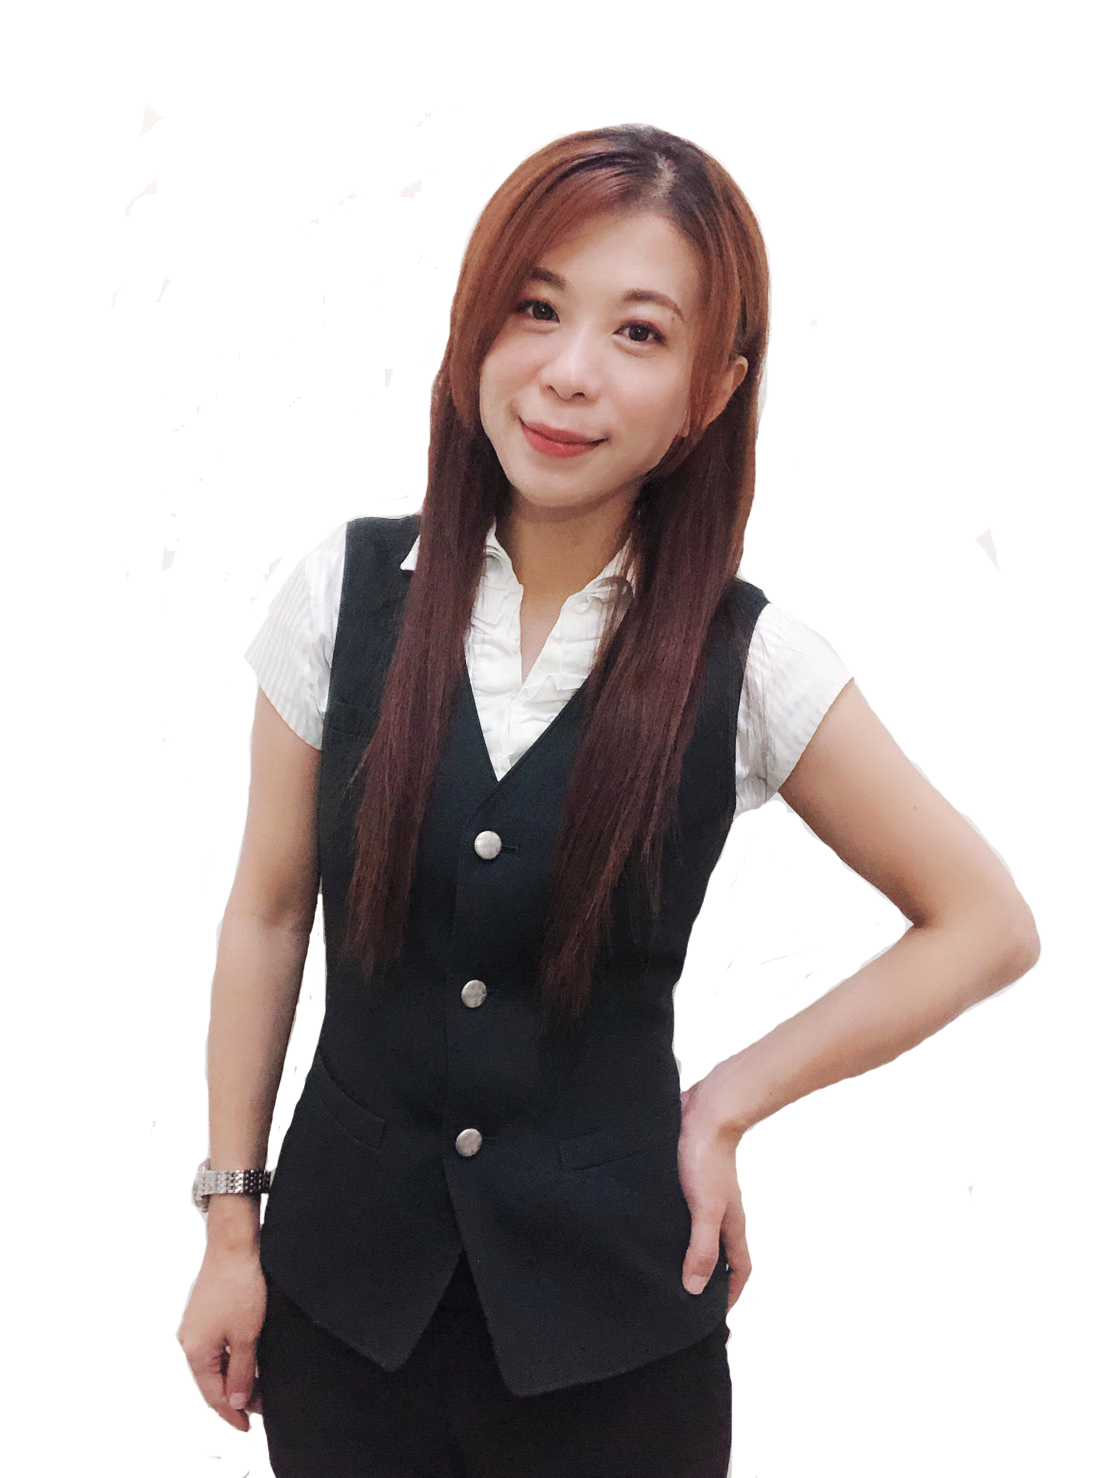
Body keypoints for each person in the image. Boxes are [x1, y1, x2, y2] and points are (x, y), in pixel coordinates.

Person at [176, 122, 1040, 1477]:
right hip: (340, 1320)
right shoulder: (342, 596)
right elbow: (271, 912)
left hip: (617, 1350)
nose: (570, 371)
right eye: (537, 307)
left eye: (640, 333)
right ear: (476, 325)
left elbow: (985, 921)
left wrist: (727, 1102)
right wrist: (231, 1225)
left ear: (710, 389)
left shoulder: (752, 661)